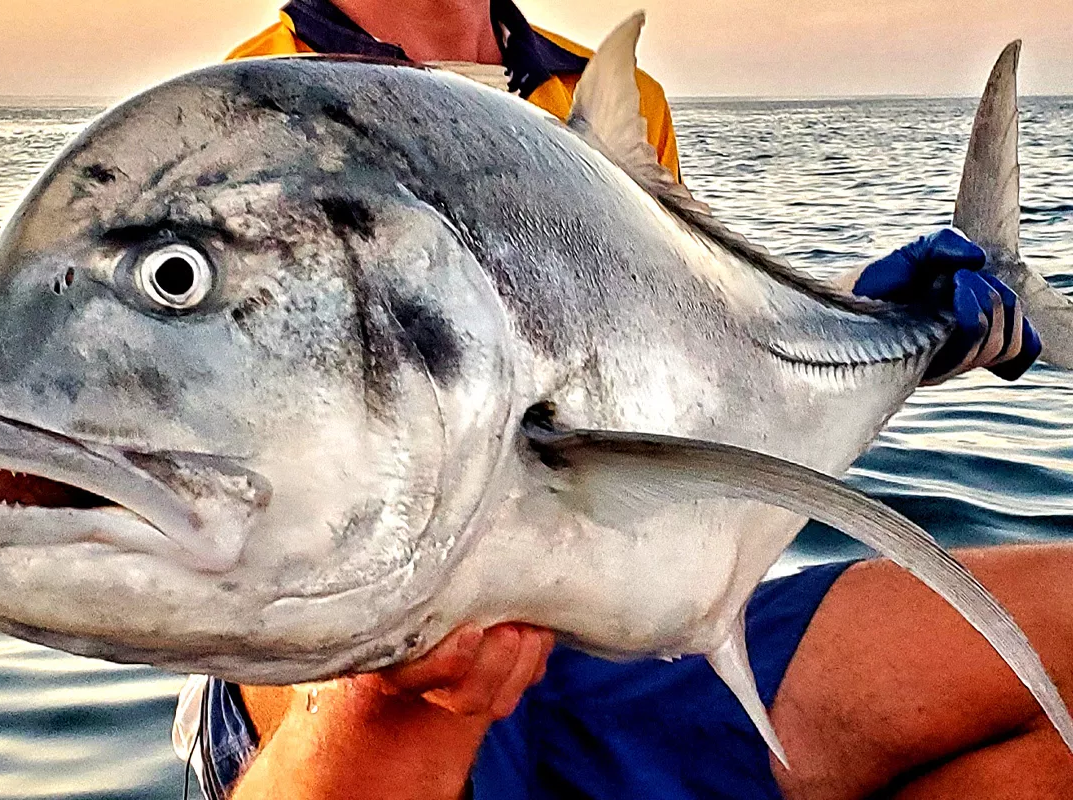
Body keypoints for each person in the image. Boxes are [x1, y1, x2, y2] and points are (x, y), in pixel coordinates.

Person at [173, 2, 1070, 798]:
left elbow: (684, 357)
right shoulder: (254, 99)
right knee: (401, 650)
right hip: (342, 644)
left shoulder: (601, 92)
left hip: (598, 638)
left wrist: (882, 319)